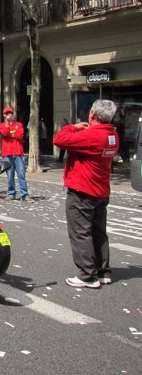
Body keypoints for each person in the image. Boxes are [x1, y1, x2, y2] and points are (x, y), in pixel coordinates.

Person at [53, 99, 119, 289]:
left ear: (92, 114)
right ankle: (103, 271)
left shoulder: (91, 136)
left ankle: (87, 275)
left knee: (80, 233)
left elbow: (59, 140)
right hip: (101, 190)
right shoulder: (112, 135)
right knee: (99, 233)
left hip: (83, 190)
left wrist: (72, 127)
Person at [0, 106, 31, 201]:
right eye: (7, 113)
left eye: (10, 113)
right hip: (7, 154)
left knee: (21, 174)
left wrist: (11, 134)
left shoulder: (19, 124)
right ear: (4, 115)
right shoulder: (1, 125)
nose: (9, 115)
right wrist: (9, 129)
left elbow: (20, 135)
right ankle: (11, 193)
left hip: (18, 153)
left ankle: (24, 194)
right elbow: (4, 133)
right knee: (10, 175)